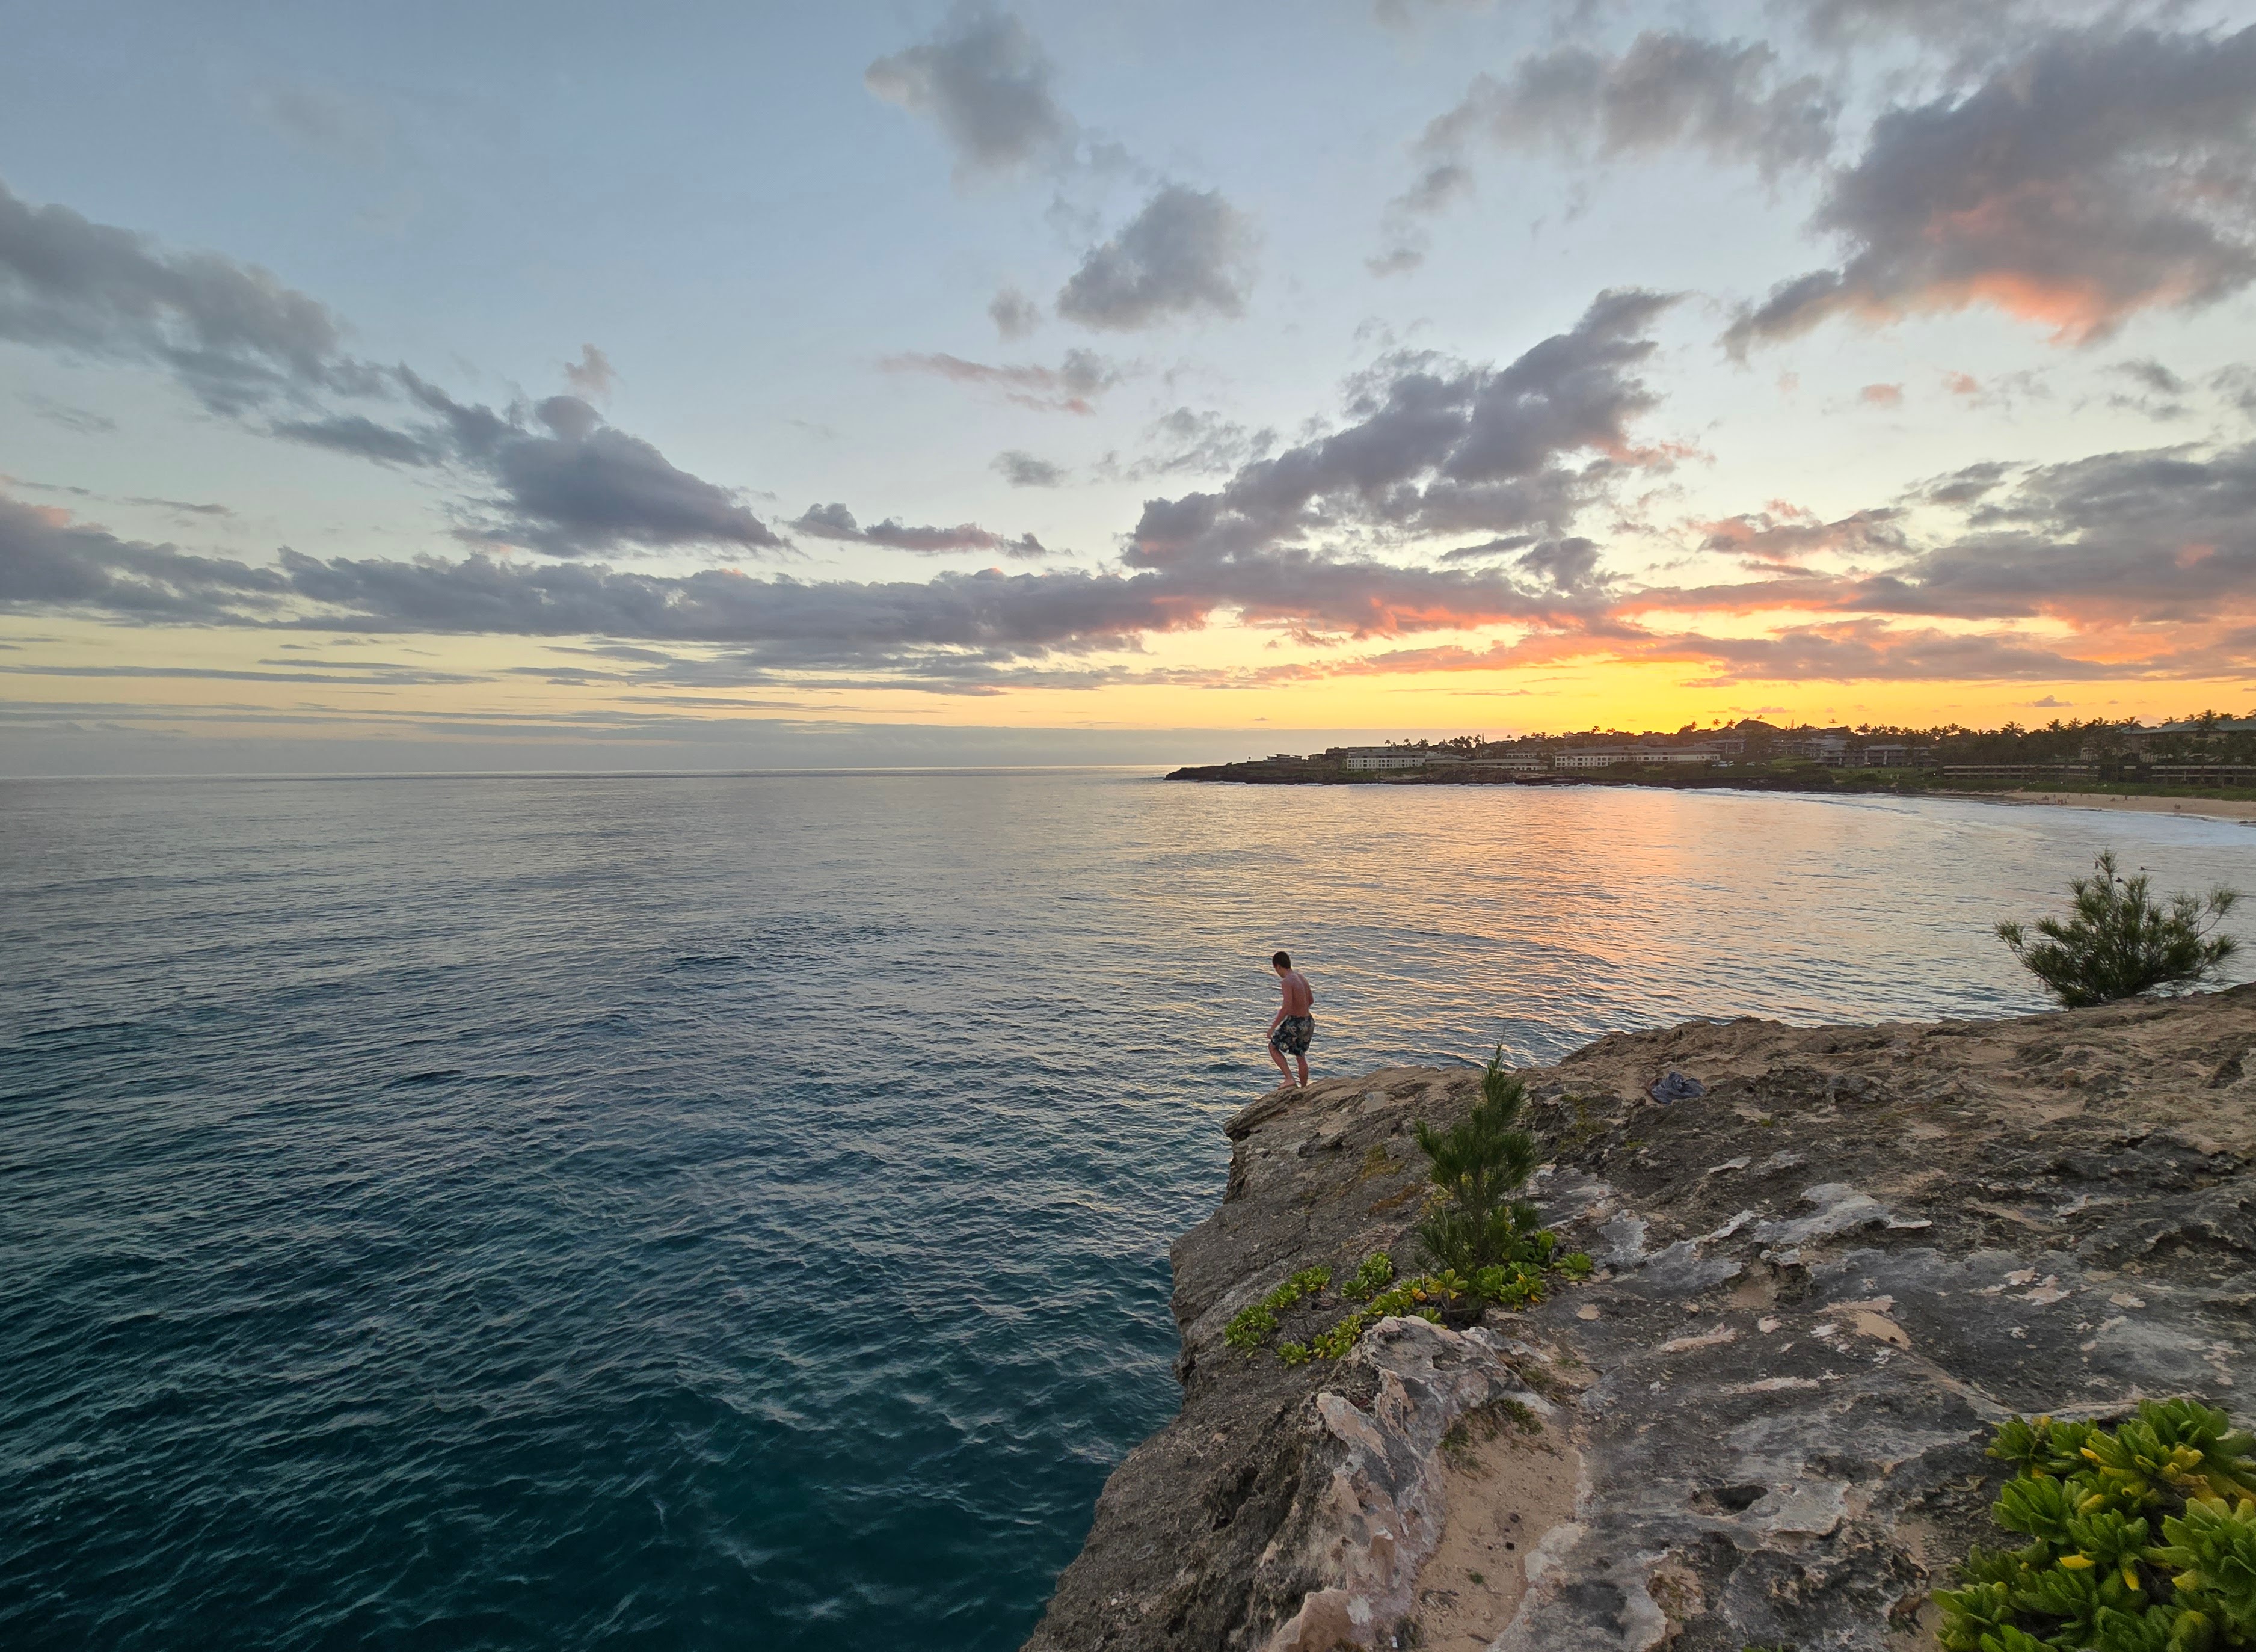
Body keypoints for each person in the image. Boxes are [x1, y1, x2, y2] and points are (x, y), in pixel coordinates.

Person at [1265, 950, 1315, 1088]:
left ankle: (1289, 1079)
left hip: (1297, 1022)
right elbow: (1310, 1000)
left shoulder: (1287, 981)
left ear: (1278, 967)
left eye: (1276, 969)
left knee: (1273, 1047)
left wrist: (1273, 1027)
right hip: (1308, 1022)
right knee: (1300, 1055)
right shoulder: (1301, 977)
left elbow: (1286, 1007)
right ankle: (1304, 1089)